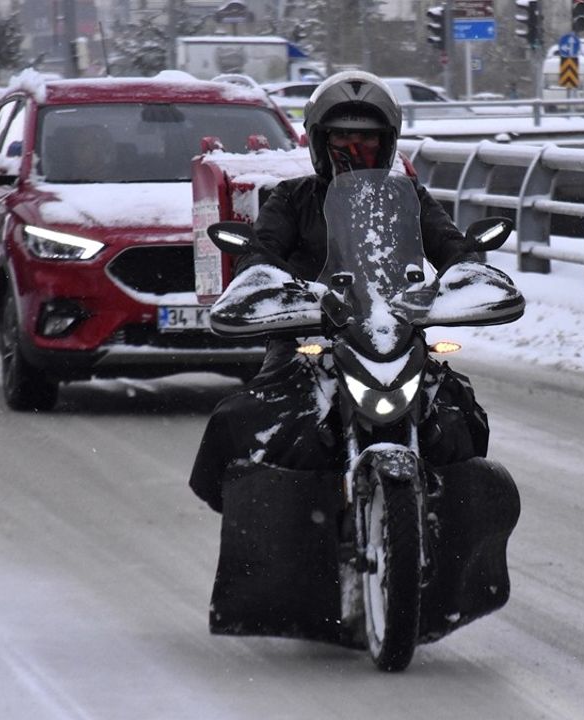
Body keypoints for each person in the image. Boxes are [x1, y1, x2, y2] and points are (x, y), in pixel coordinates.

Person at [187, 71, 516, 644]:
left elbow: (452, 246)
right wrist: (267, 286)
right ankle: (269, 537)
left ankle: (446, 534)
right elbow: (260, 256)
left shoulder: (408, 198)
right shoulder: (290, 199)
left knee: (460, 412)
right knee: (249, 418)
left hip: (391, 331)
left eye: (368, 143)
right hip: (310, 335)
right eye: (342, 143)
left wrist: (468, 273)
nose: (355, 153)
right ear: (318, 144)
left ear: (389, 147)